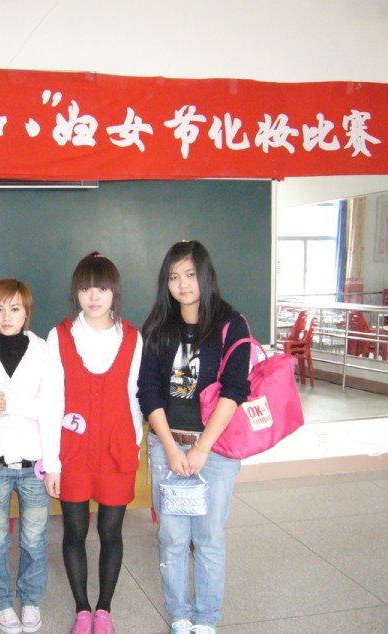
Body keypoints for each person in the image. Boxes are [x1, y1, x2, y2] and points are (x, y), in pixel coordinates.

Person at [138, 240, 251, 634]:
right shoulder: (158, 327)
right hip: (166, 446)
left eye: (190, 274)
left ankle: (206, 619)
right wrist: (171, 447)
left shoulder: (231, 324)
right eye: (174, 277)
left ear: (206, 275)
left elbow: (235, 390)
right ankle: (180, 616)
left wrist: (201, 448)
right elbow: (148, 392)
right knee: (171, 537)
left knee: (208, 538)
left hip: (215, 449)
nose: (183, 284)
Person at [40, 252, 143, 634]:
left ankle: (104, 610)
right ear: (76, 293)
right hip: (74, 453)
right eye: (85, 289)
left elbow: (135, 398)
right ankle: (82, 609)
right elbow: (52, 400)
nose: (94, 296)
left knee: (112, 532)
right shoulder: (60, 335)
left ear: (114, 291)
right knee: (75, 531)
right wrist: (52, 462)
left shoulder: (132, 337)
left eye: (101, 288)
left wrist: (132, 447)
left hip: (117, 451)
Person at [0, 279, 50, 634]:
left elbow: (50, 407)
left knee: (34, 539)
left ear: (27, 312)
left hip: (34, 462)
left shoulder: (44, 349)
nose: (7, 316)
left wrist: (7, 403)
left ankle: (31, 598)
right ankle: (1, 601)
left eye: (15, 309)